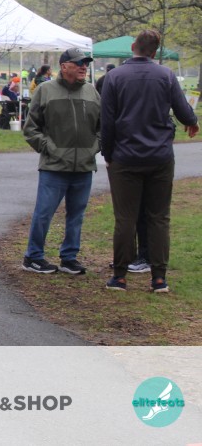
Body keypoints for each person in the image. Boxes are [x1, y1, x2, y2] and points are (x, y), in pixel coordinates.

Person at [101, 30, 199, 292]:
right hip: (159, 156)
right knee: (158, 217)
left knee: (125, 218)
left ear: (133, 46)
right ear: (155, 52)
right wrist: (192, 121)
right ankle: (158, 278)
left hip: (125, 156)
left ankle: (120, 276)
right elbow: (182, 110)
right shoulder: (166, 75)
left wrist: (108, 154)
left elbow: (107, 121)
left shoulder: (114, 77)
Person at [20, 48, 100, 275]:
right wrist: (50, 149)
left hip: (83, 167)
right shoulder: (45, 91)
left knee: (77, 215)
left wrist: (94, 148)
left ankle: (69, 258)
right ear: (64, 66)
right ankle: (33, 257)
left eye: (86, 63)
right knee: (44, 213)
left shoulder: (92, 92)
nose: (84, 67)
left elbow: (102, 127)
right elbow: (31, 128)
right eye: (79, 63)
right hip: (54, 167)